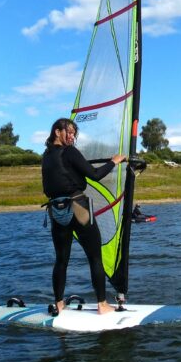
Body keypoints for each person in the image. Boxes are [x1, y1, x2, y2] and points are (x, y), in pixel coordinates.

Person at [41, 117, 125, 315]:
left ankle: (59, 304)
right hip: (78, 207)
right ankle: (102, 305)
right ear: (57, 132)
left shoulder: (46, 156)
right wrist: (113, 162)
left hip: (56, 210)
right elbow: (95, 175)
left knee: (61, 259)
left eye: (74, 134)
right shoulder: (69, 152)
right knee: (95, 257)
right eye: (68, 132)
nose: (72, 137)